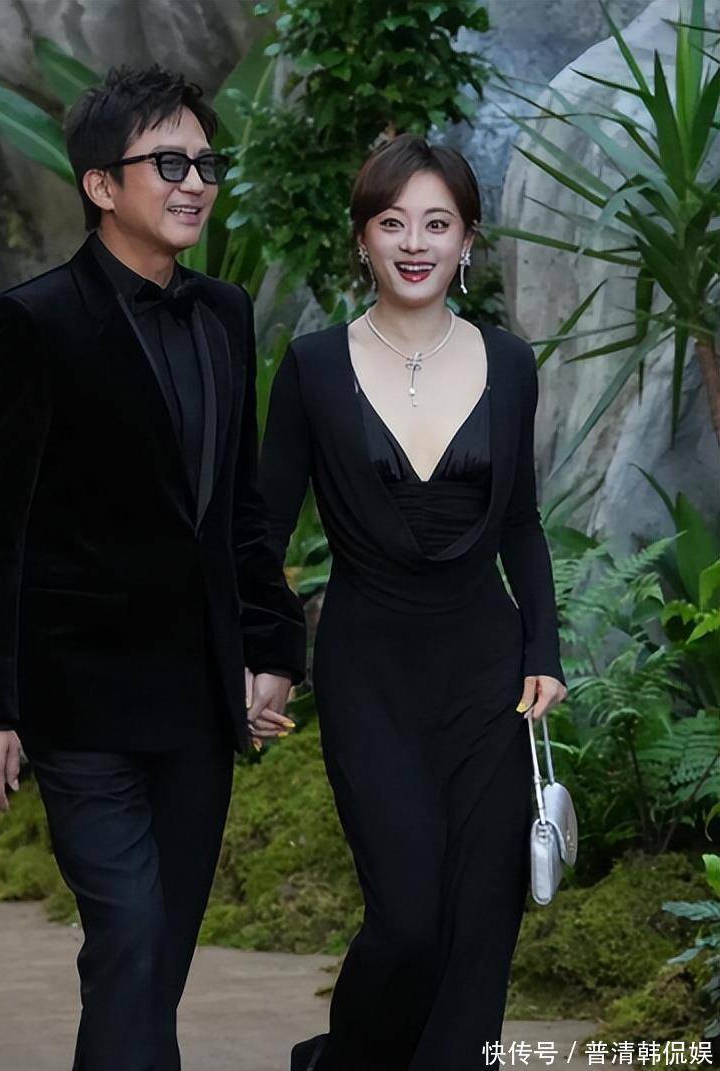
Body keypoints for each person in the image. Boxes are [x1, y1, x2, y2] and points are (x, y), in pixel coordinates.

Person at [0, 64, 304, 1071]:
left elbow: (238, 509)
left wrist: (273, 649)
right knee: (131, 937)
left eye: (207, 165)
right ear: (101, 184)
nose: (195, 184)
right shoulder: (30, 323)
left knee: (156, 960)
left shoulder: (224, 313)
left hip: (198, 703)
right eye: (169, 164)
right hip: (81, 704)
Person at [257, 134, 568, 1071]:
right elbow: (262, 533)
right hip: (369, 675)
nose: (415, 243)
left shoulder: (510, 363)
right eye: (393, 223)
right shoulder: (313, 366)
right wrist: (266, 657)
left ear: (468, 239)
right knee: (405, 921)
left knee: (481, 920)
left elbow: (522, 523)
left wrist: (544, 652)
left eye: (438, 223)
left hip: (488, 676)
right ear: (364, 238)